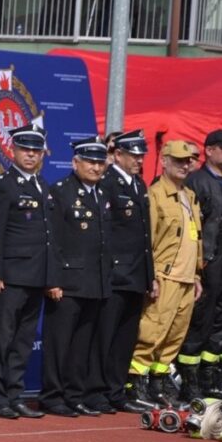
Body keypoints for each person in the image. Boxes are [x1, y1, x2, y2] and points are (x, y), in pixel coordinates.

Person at [0, 123, 55, 420]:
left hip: (36, 276)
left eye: (36, 150)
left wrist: (51, 278)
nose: (30, 155)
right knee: (2, 339)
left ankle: (15, 394)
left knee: (23, 341)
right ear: (12, 150)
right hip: (10, 276)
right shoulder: (3, 185)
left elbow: (50, 237)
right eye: (25, 149)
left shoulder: (43, 186)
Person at [39, 138, 113, 417]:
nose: (96, 167)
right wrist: (53, 280)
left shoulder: (102, 194)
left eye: (100, 162)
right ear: (75, 163)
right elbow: (53, 240)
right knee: (59, 343)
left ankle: (74, 394)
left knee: (83, 343)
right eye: (90, 162)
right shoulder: (61, 191)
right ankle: (52, 395)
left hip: (96, 281)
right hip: (67, 281)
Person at [132, 141, 204, 405]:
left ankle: (158, 383)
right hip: (165, 277)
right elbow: (147, 242)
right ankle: (135, 383)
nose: (186, 165)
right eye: (179, 160)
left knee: (174, 337)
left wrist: (196, 275)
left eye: (189, 161)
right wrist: (151, 277)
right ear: (164, 161)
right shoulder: (155, 196)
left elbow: (195, 241)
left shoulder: (190, 196)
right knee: (151, 332)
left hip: (186, 279)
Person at [89, 130, 154, 413]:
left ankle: (116, 391)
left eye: (141, 155)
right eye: (133, 155)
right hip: (115, 274)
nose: (138, 160)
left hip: (136, 275)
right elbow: (105, 233)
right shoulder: (108, 183)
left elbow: (144, 238)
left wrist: (150, 277)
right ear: (117, 155)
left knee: (126, 338)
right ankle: (97, 391)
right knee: (105, 336)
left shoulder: (138, 184)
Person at [177, 129, 222, 401]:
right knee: (200, 320)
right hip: (207, 262)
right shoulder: (197, 182)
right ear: (209, 150)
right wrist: (198, 262)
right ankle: (189, 378)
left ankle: (211, 372)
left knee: (219, 322)